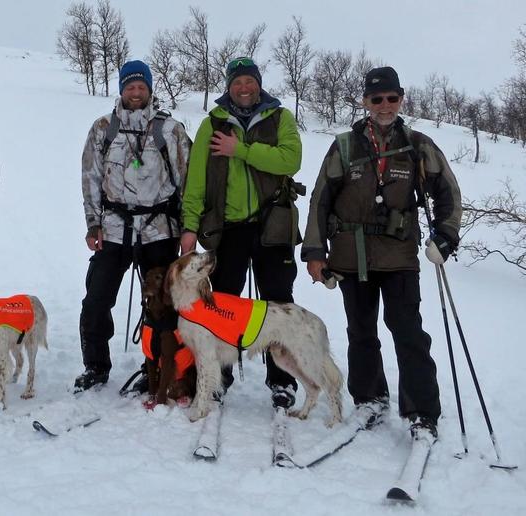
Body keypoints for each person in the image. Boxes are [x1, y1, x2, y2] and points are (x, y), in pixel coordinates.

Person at [302, 66, 461, 439]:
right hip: (350, 254)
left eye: (391, 98)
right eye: (377, 99)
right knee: (361, 332)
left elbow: (448, 192)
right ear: (365, 102)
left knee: (408, 331)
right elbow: (320, 200)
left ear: (401, 99)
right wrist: (314, 251)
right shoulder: (344, 145)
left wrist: (446, 236)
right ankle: (369, 400)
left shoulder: (417, 144)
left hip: (399, 256)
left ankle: (421, 411)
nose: (385, 105)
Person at [179, 57, 302, 409]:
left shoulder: (280, 118)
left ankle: (283, 380)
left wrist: (241, 150)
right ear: (229, 86)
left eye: (250, 81)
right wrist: (190, 226)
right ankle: (220, 377)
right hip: (229, 228)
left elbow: (289, 160)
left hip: (272, 223)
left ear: (258, 84)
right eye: (238, 82)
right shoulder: (212, 124)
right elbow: (196, 182)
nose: (244, 88)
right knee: (224, 303)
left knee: (277, 300)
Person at [74, 60, 192, 392]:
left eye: (141, 87)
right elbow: (90, 178)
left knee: (162, 303)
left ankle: (155, 367)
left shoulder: (170, 130)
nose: (135, 92)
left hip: (159, 227)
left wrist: (187, 229)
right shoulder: (103, 128)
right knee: (96, 299)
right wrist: (92, 224)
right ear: (122, 89)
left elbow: (188, 182)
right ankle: (95, 366)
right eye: (130, 86)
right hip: (113, 227)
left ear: (150, 89)